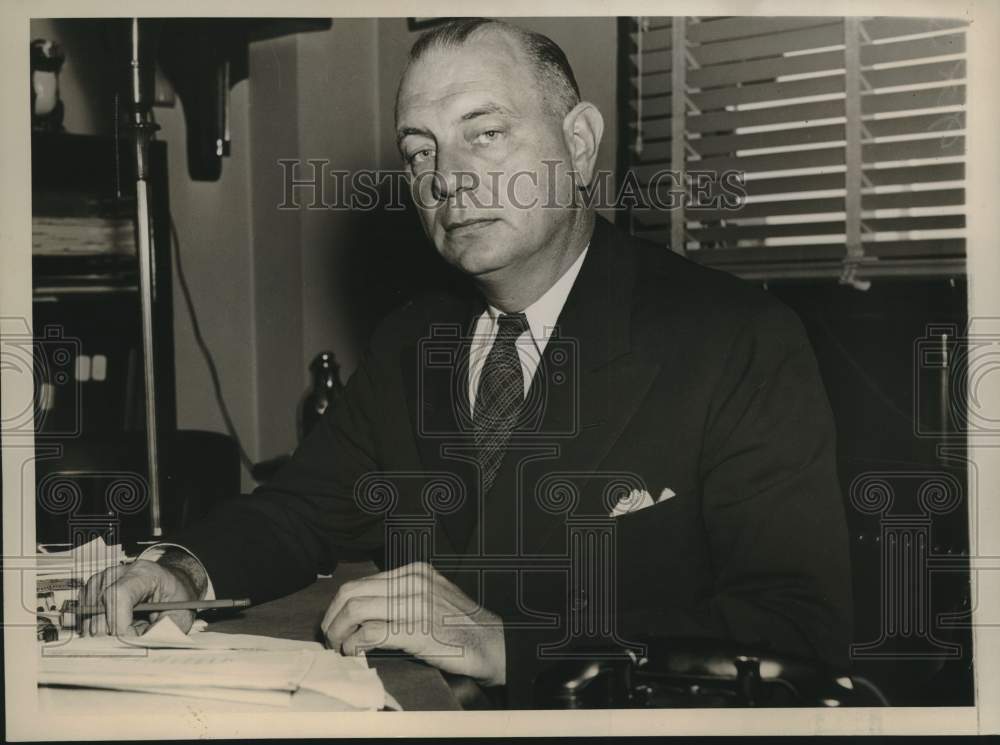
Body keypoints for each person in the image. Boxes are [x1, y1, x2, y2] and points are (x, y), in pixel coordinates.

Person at [81, 18, 853, 708]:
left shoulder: (737, 338)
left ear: (579, 144)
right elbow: (300, 508)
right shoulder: (414, 340)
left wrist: (510, 645)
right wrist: (183, 569)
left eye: (484, 133)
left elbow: (792, 636)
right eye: (421, 151)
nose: (446, 178)